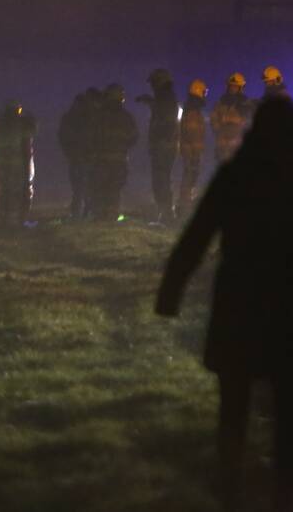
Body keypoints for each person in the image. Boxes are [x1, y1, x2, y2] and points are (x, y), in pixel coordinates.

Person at [156, 97, 293, 511]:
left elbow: (197, 236)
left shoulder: (236, 175)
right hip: (285, 303)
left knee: (233, 400)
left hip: (240, 300)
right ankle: (283, 488)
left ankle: (229, 482)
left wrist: (170, 293)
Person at [136, 68, 180, 223]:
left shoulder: (165, 97)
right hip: (165, 144)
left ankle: (166, 214)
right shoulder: (165, 97)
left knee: (161, 179)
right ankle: (165, 213)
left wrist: (161, 139)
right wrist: (150, 102)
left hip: (163, 145)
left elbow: (165, 121)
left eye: (153, 82)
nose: (152, 86)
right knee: (162, 178)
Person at [89, 84, 138, 221]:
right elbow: (134, 137)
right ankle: (111, 215)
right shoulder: (126, 117)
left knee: (101, 188)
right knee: (114, 189)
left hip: (101, 160)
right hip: (119, 159)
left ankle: (100, 215)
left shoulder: (99, 116)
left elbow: (91, 137)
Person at [0, 100, 37, 227]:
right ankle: (18, 221)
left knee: (5, 191)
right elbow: (31, 131)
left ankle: (3, 220)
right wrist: (29, 118)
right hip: (17, 164)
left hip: (2, 164)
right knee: (18, 192)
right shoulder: (18, 124)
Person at [59, 89, 96, 219]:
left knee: (78, 187)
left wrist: (69, 153)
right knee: (86, 187)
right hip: (85, 157)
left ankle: (78, 214)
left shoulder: (69, 118)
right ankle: (86, 213)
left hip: (77, 157)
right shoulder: (90, 117)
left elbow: (63, 137)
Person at [177, 79, 208, 218]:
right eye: (203, 92)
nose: (204, 95)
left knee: (188, 180)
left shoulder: (191, 110)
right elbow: (193, 134)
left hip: (190, 153)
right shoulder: (193, 112)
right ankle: (184, 210)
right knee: (189, 180)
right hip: (192, 154)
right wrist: (195, 155)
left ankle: (184, 208)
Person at [211, 72, 252, 163]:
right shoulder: (221, 102)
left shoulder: (245, 104)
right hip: (222, 143)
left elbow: (249, 122)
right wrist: (217, 129)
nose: (232, 88)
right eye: (231, 86)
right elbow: (214, 117)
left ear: (240, 88)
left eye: (235, 86)